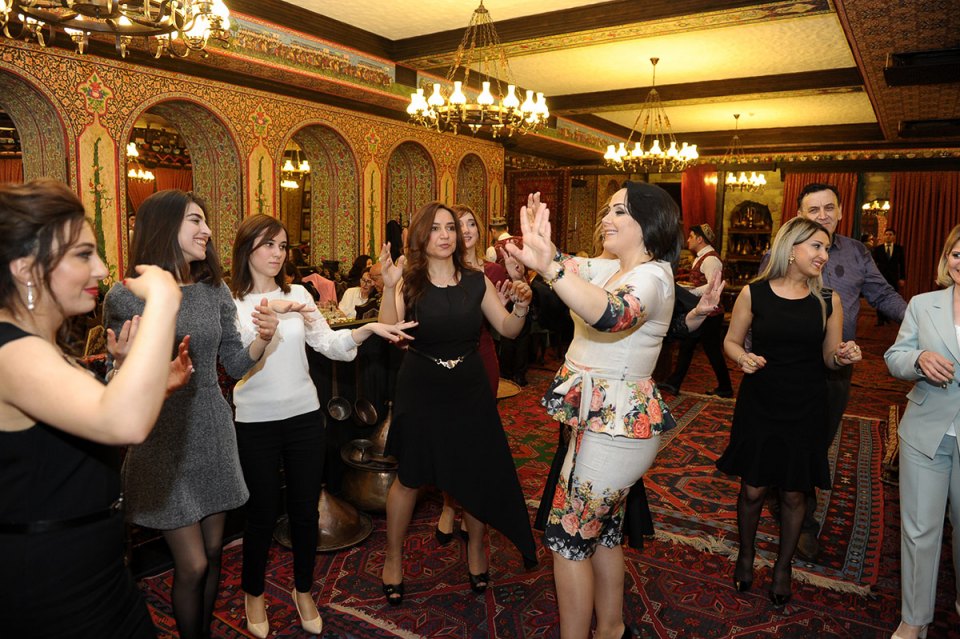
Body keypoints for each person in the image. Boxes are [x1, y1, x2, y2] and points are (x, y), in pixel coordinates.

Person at [0, 179, 185, 638]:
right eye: (84, 254)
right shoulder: (10, 350)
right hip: (51, 583)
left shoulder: (36, 345)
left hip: (91, 567)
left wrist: (149, 386)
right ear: (26, 268)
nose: (101, 269)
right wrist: (164, 299)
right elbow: (122, 422)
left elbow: (80, 427)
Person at [104, 190, 279, 639]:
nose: (207, 231)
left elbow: (234, 364)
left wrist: (262, 339)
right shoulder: (127, 295)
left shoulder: (213, 289)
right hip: (163, 436)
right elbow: (111, 383)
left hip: (212, 426)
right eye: (195, 221)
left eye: (205, 221)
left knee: (215, 552)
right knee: (194, 563)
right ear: (164, 226)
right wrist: (122, 364)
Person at [507, 184, 680, 639]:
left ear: (650, 222)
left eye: (619, 211)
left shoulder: (652, 278)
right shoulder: (616, 268)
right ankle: (611, 628)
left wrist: (549, 266)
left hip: (617, 431)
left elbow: (612, 314)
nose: (606, 218)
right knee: (601, 533)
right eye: (608, 209)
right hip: (602, 426)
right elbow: (566, 267)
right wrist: (540, 252)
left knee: (567, 541)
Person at [229, 215, 413, 638]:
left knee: (304, 510)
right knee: (261, 513)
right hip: (255, 420)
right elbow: (236, 359)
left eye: (282, 246)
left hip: (303, 417)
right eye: (268, 244)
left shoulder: (298, 294)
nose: (277, 253)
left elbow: (329, 344)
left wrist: (365, 330)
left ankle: (304, 589)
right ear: (247, 248)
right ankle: (253, 593)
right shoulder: (231, 301)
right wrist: (267, 314)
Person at [378, 201, 537, 606]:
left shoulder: (476, 280)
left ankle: (477, 549)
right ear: (421, 235)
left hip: (469, 387)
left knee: (474, 472)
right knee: (410, 476)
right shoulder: (408, 281)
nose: (446, 235)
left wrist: (521, 305)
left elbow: (508, 329)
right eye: (435, 228)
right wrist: (389, 286)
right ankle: (393, 558)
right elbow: (391, 333)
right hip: (421, 386)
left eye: (450, 227)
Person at [718, 216, 862, 608]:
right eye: (816, 246)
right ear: (792, 249)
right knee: (752, 489)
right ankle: (746, 555)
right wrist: (742, 358)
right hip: (761, 401)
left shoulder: (828, 301)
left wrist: (842, 356)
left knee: (795, 493)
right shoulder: (754, 293)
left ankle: (783, 568)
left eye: (826, 248)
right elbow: (731, 341)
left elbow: (830, 358)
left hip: (806, 404)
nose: (824, 254)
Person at [761, 182, 907, 561]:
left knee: (817, 441)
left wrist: (921, 320)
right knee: (791, 439)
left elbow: (883, 295)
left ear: (841, 212)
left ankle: (786, 493)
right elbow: (761, 301)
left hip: (835, 367)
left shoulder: (857, 252)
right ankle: (801, 519)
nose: (822, 215)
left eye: (829, 208)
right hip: (786, 367)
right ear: (799, 215)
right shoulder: (781, 252)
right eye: (813, 209)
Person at [884, 224, 960, 639]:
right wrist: (918, 359)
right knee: (918, 529)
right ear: (946, 258)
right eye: (957, 254)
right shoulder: (923, 303)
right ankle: (914, 619)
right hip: (925, 431)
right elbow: (894, 356)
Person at [433, 204, 511, 545]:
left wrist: (511, 301)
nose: (464, 230)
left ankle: (472, 507)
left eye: (470, 224)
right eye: (457, 224)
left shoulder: (492, 271)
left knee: (477, 436)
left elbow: (504, 324)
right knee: (449, 435)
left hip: (482, 356)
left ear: (479, 231)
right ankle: (449, 505)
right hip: (447, 360)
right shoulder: (440, 269)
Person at [660, 223, 734, 398]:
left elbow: (713, 286)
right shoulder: (702, 257)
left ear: (700, 239)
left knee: (711, 350)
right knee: (688, 346)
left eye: (691, 236)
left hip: (710, 314)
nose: (688, 240)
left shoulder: (710, 259)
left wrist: (689, 292)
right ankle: (674, 383)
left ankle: (725, 387)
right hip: (702, 311)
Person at [873, 228, 906, 325]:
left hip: (894, 278)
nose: (888, 236)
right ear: (884, 236)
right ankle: (880, 319)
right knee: (879, 297)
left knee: (891, 298)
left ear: (894, 237)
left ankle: (888, 318)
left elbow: (902, 264)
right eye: (886, 234)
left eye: (890, 234)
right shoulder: (878, 249)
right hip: (881, 278)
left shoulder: (899, 249)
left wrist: (902, 278)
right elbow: (873, 264)